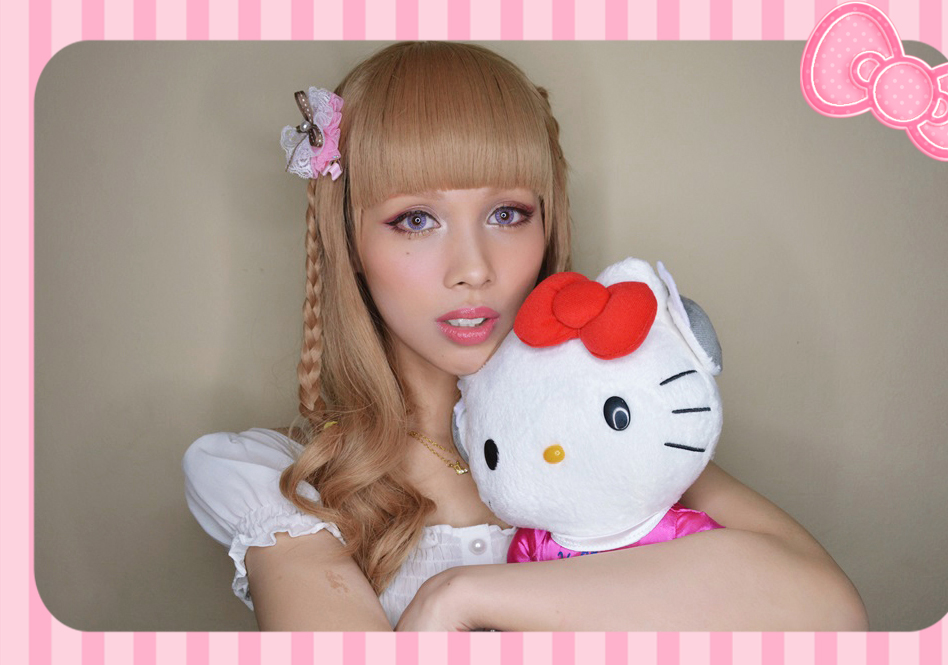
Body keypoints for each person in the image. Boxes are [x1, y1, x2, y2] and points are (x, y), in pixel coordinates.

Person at [183, 41, 867, 632]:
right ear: (350, 242)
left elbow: (827, 610)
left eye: (507, 213)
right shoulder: (290, 488)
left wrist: (463, 596)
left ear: (548, 223)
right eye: (416, 220)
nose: (473, 268)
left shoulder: (614, 419)